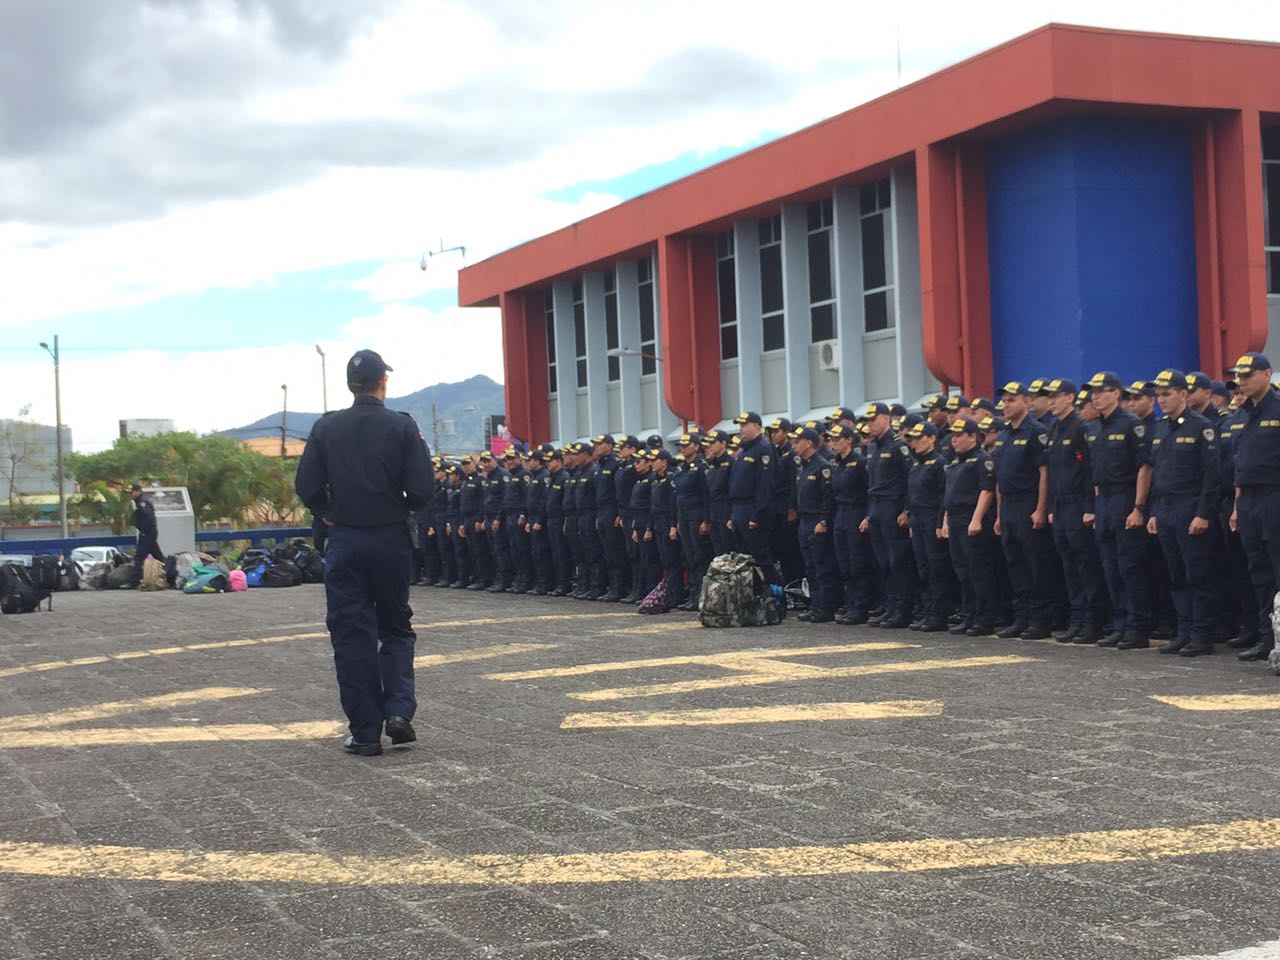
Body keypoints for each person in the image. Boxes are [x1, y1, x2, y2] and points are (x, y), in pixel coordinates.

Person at [295, 349, 433, 757]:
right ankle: (398, 712)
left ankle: (365, 732)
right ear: (383, 383)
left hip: (346, 539)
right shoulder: (402, 428)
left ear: (350, 385)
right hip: (390, 538)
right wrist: (398, 507)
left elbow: (306, 487)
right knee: (395, 627)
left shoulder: (325, 429)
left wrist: (329, 512)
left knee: (351, 635)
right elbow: (423, 490)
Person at [1147, 369, 1220, 657]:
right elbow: (1158, 474)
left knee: (1197, 573)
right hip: (1165, 508)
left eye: (1166, 394)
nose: (1161, 400)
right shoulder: (1161, 428)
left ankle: (1202, 634)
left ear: (1183, 395)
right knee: (1176, 574)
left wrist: (1203, 513)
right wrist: (1153, 511)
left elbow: (1211, 476)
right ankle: (1184, 631)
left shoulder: (1200, 427)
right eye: (1159, 395)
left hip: (1189, 507)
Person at [1086, 370, 1153, 650]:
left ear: (1116, 393)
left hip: (1126, 497)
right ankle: (1120, 623)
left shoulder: (1131, 424)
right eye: (1094, 392)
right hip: (1104, 500)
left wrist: (1138, 507)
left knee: (1129, 566)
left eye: (1102, 391)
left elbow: (1144, 467)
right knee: (1110, 567)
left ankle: (1138, 627)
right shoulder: (1096, 427)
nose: (1096, 396)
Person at [1044, 379, 1107, 644]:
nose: (1050, 402)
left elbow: (1088, 471)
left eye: (1055, 396)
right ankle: (1077, 619)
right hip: (1059, 504)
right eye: (1048, 397)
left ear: (1070, 398)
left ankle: (1093, 621)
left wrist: (1088, 507)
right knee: (1069, 564)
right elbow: (1052, 472)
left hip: (1078, 504)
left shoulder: (1081, 428)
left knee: (1085, 564)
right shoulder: (1054, 428)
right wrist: (1049, 507)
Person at [1227, 352, 1280, 662]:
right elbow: (1240, 465)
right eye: (1239, 377)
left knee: (1277, 569)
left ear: (1267, 374)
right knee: (1258, 572)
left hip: (1274, 497)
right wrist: (1236, 506)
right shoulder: (1243, 414)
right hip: (1247, 500)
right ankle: (1265, 639)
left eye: (1248, 376)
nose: (1242, 382)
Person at [992, 382, 1054, 639]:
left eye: (1012, 400)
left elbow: (1044, 473)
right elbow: (998, 479)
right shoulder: (1003, 436)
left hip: (1028, 503)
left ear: (1027, 402)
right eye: (1005, 400)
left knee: (1035, 564)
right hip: (1007, 506)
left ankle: (1040, 620)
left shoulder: (1036, 432)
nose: (1006, 405)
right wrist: (998, 514)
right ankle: (1021, 617)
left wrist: (1041, 508)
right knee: (1015, 564)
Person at [941, 417, 998, 636]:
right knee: (963, 571)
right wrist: (946, 520)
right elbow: (949, 495)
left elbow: (987, 490)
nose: (953, 440)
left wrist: (976, 519)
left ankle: (984, 619)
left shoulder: (982, 459)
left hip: (971, 518)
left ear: (973, 436)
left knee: (978, 571)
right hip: (955, 519)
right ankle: (969, 615)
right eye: (952, 436)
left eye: (959, 435)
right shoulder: (956, 462)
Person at [862, 401, 916, 629]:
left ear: (887, 419)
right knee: (882, 561)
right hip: (876, 507)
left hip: (892, 507)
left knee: (897, 560)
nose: (870, 424)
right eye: (868, 420)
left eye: (874, 420)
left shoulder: (898, 447)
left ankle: (902, 610)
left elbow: (909, 480)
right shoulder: (874, 448)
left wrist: (906, 509)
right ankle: (890, 605)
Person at [904, 421, 951, 631]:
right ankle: (927, 610)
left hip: (932, 518)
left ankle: (938, 614)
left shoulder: (939, 463)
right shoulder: (916, 464)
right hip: (918, 518)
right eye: (912, 439)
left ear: (932, 438)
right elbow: (912, 493)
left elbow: (944, 496)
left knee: (935, 568)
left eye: (919, 438)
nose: (915, 443)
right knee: (923, 567)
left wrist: (941, 523)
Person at [790, 425, 839, 623]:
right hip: (804, 520)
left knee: (822, 565)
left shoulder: (822, 466)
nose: (794, 445)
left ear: (808, 443)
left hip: (816, 520)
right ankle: (815, 605)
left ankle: (826, 606)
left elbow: (828, 497)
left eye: (797, 441)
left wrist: (823, 520)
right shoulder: (803, 466)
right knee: (809, 566)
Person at [727, 412, 775, 573]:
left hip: (752, 508)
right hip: (739, 508)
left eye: (744, 425)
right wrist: (733, 514)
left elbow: (765, 484)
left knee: (759, 555)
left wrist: (757, 514)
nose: (741, 429)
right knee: (742, 557)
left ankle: (774, 594)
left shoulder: (763, 449)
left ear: (756, 426)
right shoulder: (745, 450)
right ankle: (751, 594)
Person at [129, 483, 166, 585]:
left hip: (147, 533)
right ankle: (168, 572)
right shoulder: (139, 502)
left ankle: (134, 581)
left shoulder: (143, 502)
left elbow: (148, 518)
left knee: (140, 556)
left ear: (138, 491)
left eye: (132, 492)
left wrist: (144, 531)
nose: (130, 494)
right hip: (148, 532)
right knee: (158, 555)